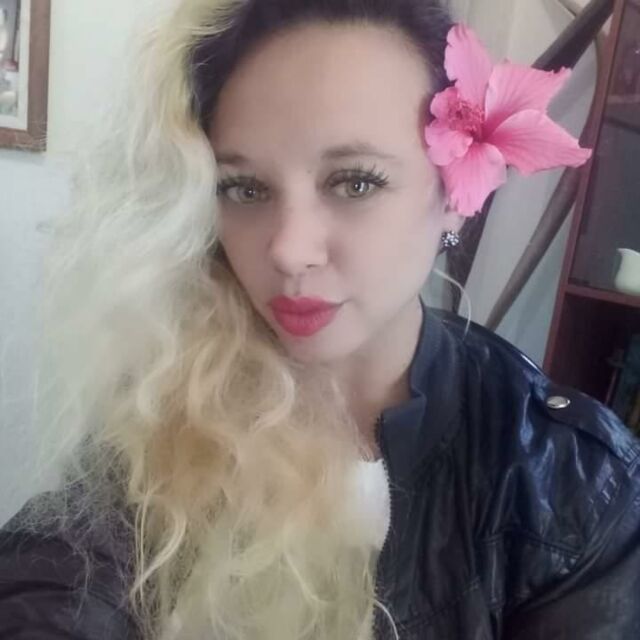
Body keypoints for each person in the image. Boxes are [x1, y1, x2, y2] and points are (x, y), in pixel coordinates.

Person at [1, 0, 638, 638]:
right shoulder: (172, 388)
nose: (288, 250)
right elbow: (66, 568)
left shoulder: (574, 486)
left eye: (355, 182)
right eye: (244, 188)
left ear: (456, 191)